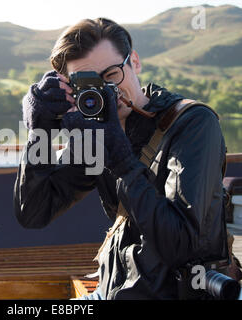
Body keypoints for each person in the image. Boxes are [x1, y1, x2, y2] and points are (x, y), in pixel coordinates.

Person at [13, 18, 231, 299]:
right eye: (88, 83)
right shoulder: (94, 130)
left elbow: (181, 246)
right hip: (113, 289)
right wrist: (39, 133)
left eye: (112, 74)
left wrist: (122, 162)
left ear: (135, 62)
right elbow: (33, 213)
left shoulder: (193, 124)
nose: (107, 91)